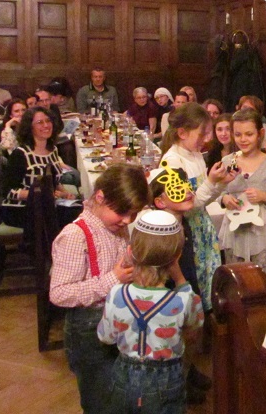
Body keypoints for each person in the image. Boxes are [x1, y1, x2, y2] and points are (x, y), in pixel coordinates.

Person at [50, 163, 150, 414]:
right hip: (89, 331)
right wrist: (113, 279)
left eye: (133, 214)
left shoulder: (116, 226)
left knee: (121, 395)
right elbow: (59, 293)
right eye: (123, 212)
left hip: (118, 323)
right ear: (100, 197)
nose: (127, 220)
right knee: (100, 401)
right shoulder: (75, 236)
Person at [97, 210, 204, 413]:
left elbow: (106, 337)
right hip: (166, 380)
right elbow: (196, 324)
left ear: (130, 251)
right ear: (177, 256)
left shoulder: (116, 293)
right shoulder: (184, 300)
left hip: (123, 377)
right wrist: (180, 279)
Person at [147, 162, 213, 404]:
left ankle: (188, 370)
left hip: (185, 280)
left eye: (186, 186)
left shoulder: (182, 221)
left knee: (189, 331)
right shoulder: (163, 229)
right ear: (160, 202)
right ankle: (178, 383)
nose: (187, 191)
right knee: (178, 335)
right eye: (176, 189)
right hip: (170, 291)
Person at [160, 102, 233, 312]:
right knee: (194, 281)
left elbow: (204, 200)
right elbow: (186, 207)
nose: (207, 139)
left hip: (202, 226)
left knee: (208, 282)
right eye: (202, 134)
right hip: (188, 231)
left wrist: (221, 184)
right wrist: (211, 182)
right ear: (182, 133)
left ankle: (207, 317)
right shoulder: (172, 161)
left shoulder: (195, 154)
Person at [218, 108, 266, 294]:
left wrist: (264, 197)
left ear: (260, 134)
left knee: (262, 280)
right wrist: (224, 198)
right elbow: (219, 192)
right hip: (234, 231)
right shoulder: (228, 160)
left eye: (249, 134)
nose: (243, 139)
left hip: (259, 232)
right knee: (236, 280)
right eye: (238, 134)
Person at [0, 106, 78, 241]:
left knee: (79, 207)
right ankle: (53, 250)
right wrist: (39, 194)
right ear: (29, 127)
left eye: (48, 121)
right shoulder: (21, 154)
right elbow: (8, 192)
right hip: (20, 208)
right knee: (73, 214)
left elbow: (55, 182)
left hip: (45, 205)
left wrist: (65, 193)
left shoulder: (52, 150)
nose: (46, 125)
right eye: (40, 122)